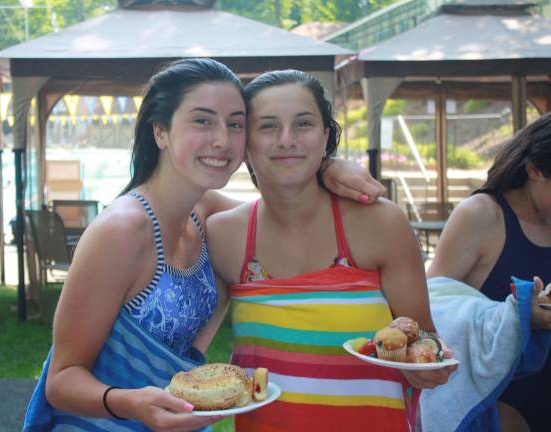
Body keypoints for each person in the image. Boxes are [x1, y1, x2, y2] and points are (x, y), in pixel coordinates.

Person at [23, 58, 385, 432]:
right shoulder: (122, 230)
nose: (222, 140)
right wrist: (132, 403)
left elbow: (287, 213)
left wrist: (324, 165)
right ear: (160, 132)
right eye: (202, 120)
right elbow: (62, 380)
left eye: (235, 124)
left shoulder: (206, 213)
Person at [206, 70, 455, 432]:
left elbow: (423, 340)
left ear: (325, 137)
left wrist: (429, 367)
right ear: (244, 142)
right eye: (268, 126)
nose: (286, 139)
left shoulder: (380, 224)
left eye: (303, 124)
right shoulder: (224, 235)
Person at [427, 112, 551, 432]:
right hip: (493, 406)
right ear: (534, 171)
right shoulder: (481, 216)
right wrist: (521, 314)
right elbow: (430, 315)